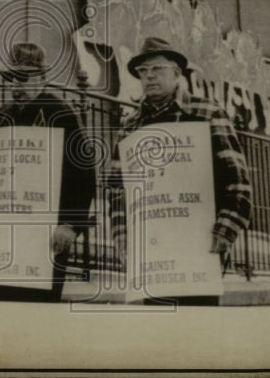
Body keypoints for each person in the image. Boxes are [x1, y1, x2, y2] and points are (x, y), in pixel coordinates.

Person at [107, 36, 252, 305]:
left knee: (198, 330)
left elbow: (238, 179)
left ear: (177, 73)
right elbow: (117, 189)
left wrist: (226, 228)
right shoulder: (129, 126)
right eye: (143, 71)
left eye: (157, 69)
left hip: (198, 242)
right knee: (158, 330)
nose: (149, 76)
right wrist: (122, 236)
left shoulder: (206, 113)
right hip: (152, 247)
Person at [0, 43, 96, 302]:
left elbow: (83, 174)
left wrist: (71, 225)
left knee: (40, 311)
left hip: (47, 236)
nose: (17, 85)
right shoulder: (1, 117)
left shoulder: (61, 115)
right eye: (12, 78)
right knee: (5, 308)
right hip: (5, 235)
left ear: (42, 78)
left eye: (24, 78)